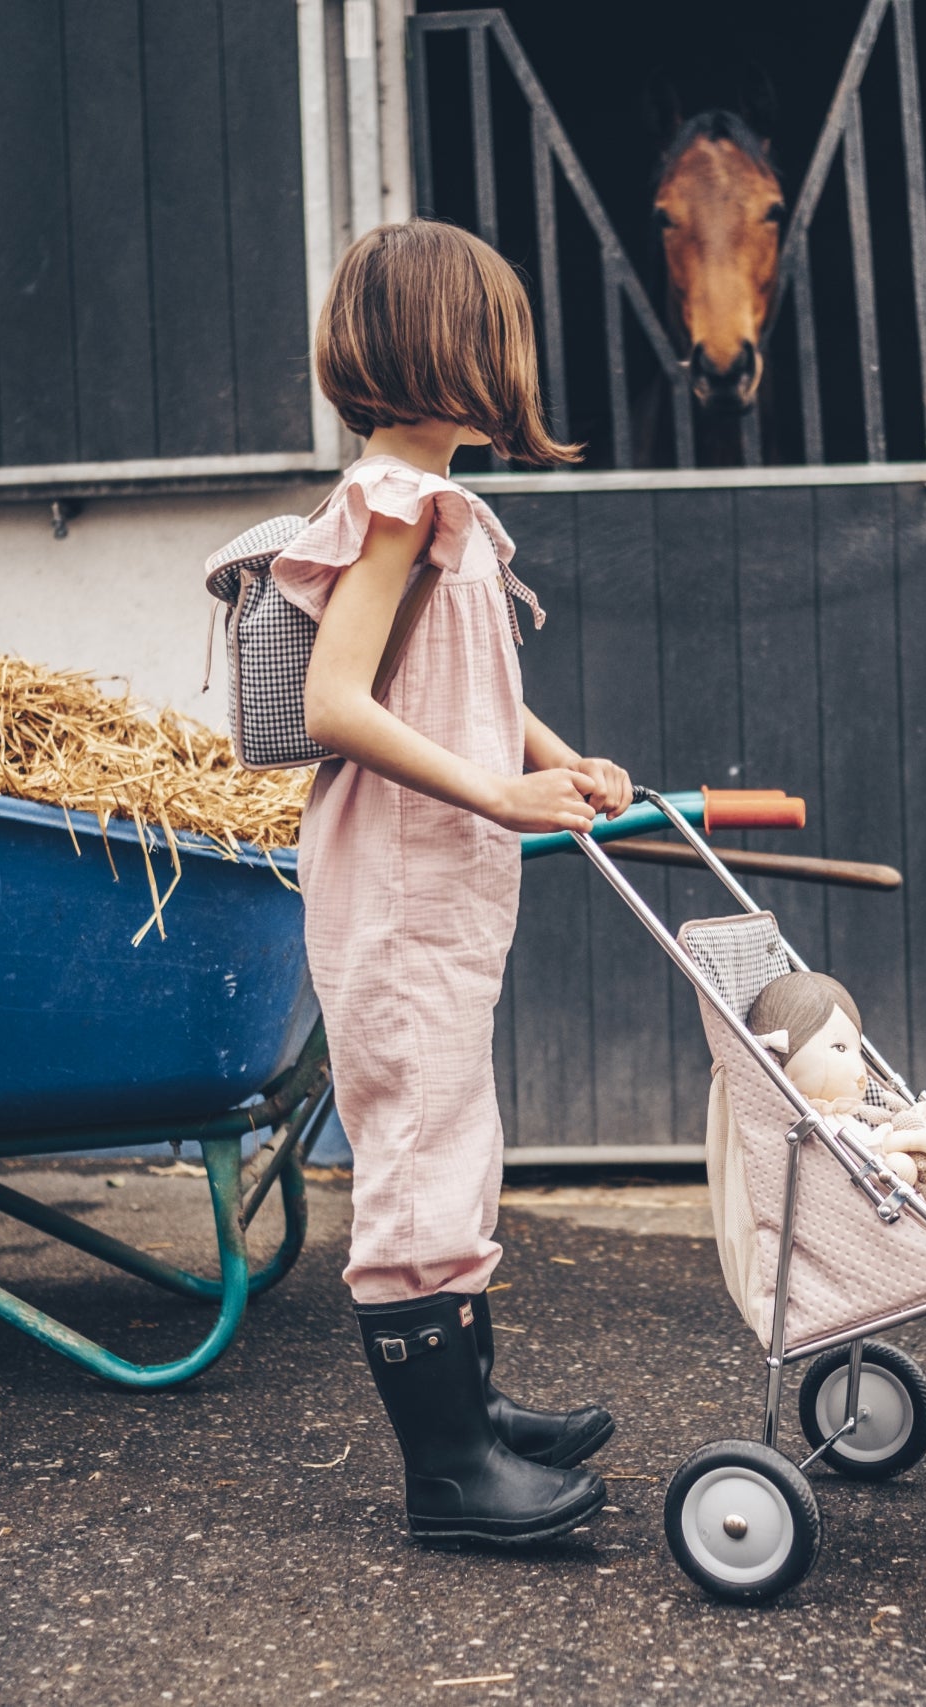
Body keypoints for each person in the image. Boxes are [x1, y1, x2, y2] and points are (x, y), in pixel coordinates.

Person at [269, 220, 629, 1546]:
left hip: (446, 878)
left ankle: (472, 1415)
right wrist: (499, 793)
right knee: (418, 1143)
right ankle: (452, 1480)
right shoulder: (394, 507)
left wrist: (556, 757)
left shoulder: (442, 510)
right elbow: (335, 702)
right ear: (449, 354)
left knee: (454, 1132)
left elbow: (466, 686)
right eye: (499, 339)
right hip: (401, 872)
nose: (512, 362)